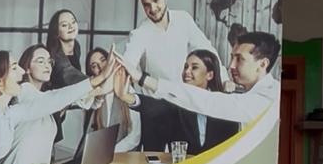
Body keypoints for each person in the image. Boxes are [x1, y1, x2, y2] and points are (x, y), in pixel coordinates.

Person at [123, 0, 224, 152]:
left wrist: (224, 80)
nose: (152, 9)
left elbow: (207, 50)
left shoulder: (183, 19)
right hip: (156, 110)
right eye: (146, 5)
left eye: (156, 0)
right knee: (153, 163)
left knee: (183, 161)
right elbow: (128, 65)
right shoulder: (140, 33)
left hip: (185, 107)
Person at [117, 31, 281, 129]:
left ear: (263, 64)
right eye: (232, 58)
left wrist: (141, 78)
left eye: (240, 59)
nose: (231, 65)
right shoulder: (252, 95)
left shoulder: (267, 99)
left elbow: (208, 101)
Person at [2, 44, 111, 164]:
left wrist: (97, 98)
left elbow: (76, 101)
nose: (47, 65)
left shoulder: (45, 98)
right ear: (27, 68)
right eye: (40, 61)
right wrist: (96, 80)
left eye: (49, 61)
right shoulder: (24, 92)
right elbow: (56, 98)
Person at [175, 51, 239, 155]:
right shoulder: (177, 103)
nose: (187, 71)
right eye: (186, 67)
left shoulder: (226, 106)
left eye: (194, 67)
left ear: (209, 75)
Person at [86, 47, 141, 153]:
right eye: (94, 66)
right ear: (92, 73)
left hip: (125, 157)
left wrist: (110, 151)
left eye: (103, 60)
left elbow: (135, 137)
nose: (101, 67)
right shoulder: (96, 97)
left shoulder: (127, 90)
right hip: (100, 157)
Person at [45, 9, 87, 88]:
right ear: (56, 31)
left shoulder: (76, 46)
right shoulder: (54, 54)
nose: (71, 27)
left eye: (73, 22)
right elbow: (72, 77)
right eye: (64, 25)